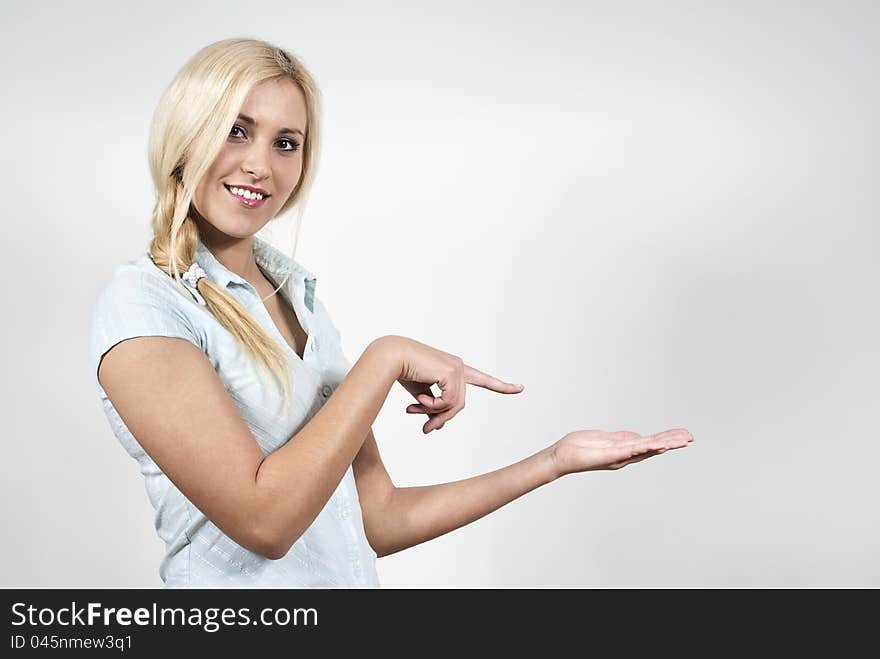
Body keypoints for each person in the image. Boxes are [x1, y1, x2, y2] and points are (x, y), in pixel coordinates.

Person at [89, 37, 695, 588]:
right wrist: (384, 360)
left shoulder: (298, 301)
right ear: (185, 134)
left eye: (286, 143)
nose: (260, 165)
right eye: (236, 130)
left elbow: (373, 518)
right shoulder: (146, 306)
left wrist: (553, 462)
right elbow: (265, 522)